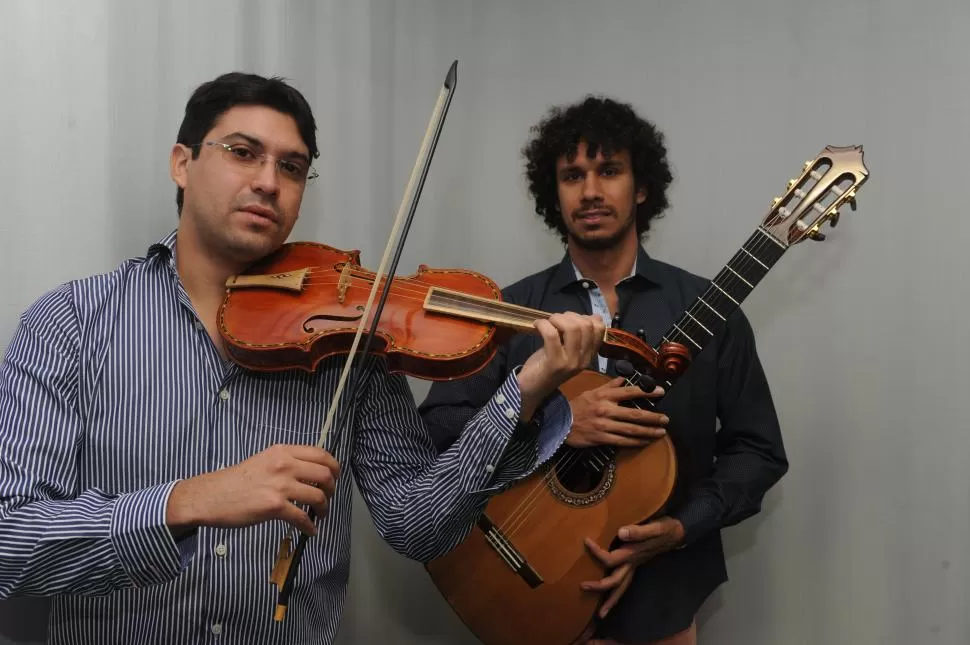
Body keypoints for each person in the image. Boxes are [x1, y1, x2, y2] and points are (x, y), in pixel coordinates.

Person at [0, 72, 609, 645]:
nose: (269, 180)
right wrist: (186, 501)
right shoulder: (72, 324)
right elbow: (10, 543)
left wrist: (525, 393)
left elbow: (418, 523)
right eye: (243, 152)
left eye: (292, 167)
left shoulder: (350, 336)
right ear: (182, 164)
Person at [418, 95, 789, 644]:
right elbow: (439, 427)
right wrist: (555, 423)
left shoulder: (712, 313)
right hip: (522, 587)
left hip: (664, 601)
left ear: (641, 188)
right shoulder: (507, 311)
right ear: (555, 195)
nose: (590, 191)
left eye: (609, 171)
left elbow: (758, 451)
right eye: (572, 175)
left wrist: (682, 528)